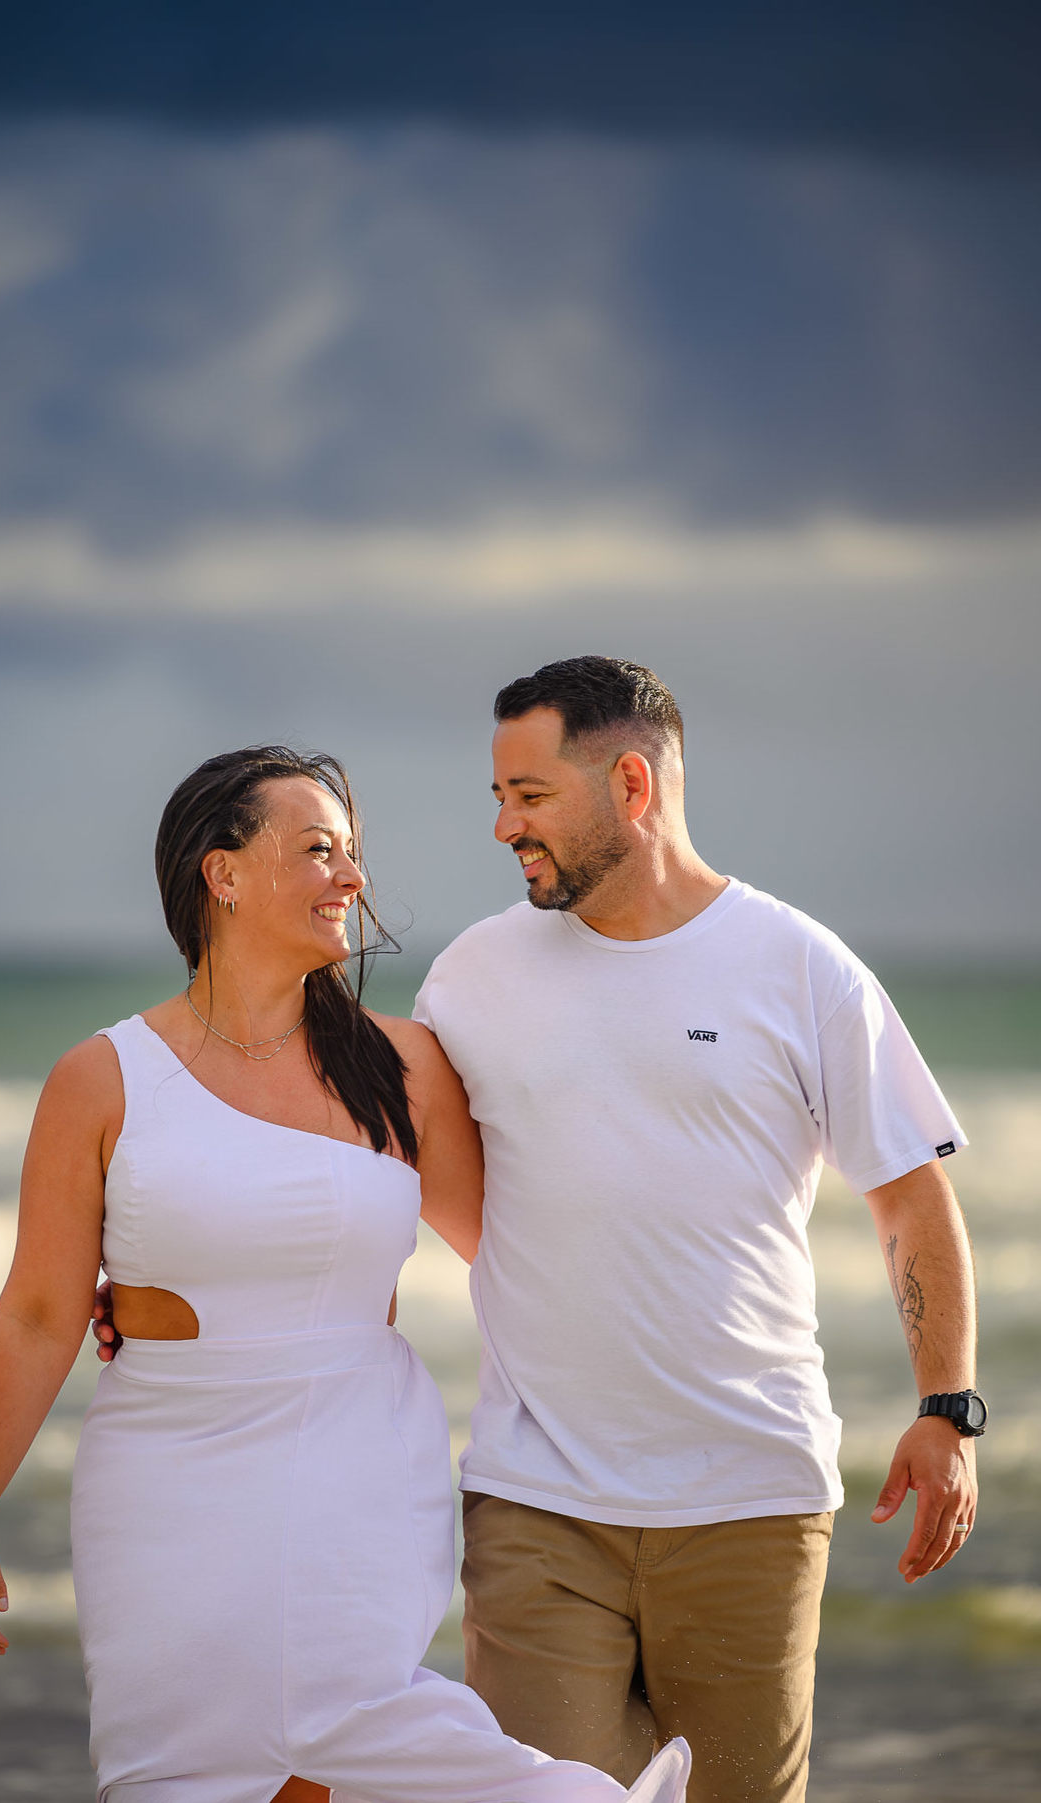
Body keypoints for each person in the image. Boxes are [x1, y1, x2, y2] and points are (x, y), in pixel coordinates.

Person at [0, 745, 690, 1803]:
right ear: (224, 874)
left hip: (358, 1452)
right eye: (320, 851)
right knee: (177, 1767)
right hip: (164, 1468)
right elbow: (39, 1312)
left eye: (353, 855)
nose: (354, 878)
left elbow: (521, 1256)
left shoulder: (400, 1068)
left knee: (347, 1723)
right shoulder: (102, 1080)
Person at [407, 656, 982, 1803]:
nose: (503, 826)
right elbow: (391, 1159)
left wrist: (946, 1408)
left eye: (528, 795)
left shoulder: (801, 969)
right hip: (536, 1503)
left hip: (750, 1501)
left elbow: (909, 1195)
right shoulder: (472, 975)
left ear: (630, 783)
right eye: (498, 797)